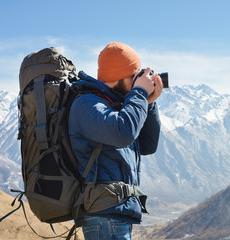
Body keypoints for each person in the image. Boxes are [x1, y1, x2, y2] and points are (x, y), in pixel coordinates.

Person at [68, 42, 163, 240]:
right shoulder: (87, 104)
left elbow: (147, 145)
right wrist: (139, 93)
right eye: (135, 75)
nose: (139, 81)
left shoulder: (116, 106)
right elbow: (123, 134)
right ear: (120, 76)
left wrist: (148, 103)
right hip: (104, 218)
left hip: (115, 216)